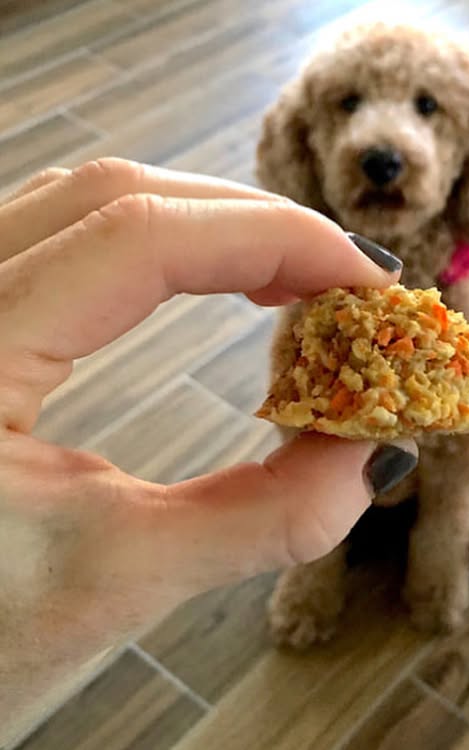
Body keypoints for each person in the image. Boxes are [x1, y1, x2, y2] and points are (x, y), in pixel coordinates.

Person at [0, 158, 418, 744]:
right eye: (346, 111)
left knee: (455, 500)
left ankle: (437, 576)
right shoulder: (311, 326)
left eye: (428, 113)